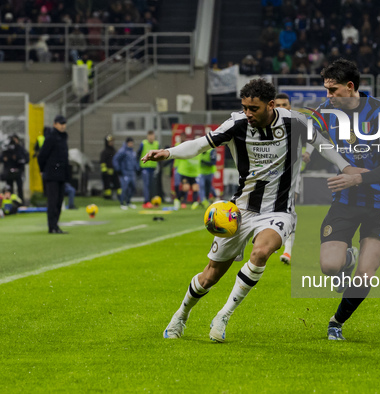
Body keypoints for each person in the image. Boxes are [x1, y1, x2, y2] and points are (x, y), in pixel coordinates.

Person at [141, 78, 362, 342]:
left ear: (270, 105)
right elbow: (201, 143)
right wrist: (168, 152)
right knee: (210, 276)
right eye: (244, 107)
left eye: (253, 108)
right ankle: (180, 315)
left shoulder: (295, 122)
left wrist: (346, 167)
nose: (248, 113)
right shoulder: (236, 124)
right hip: (240, 211)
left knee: (261, 252)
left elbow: (323, 145)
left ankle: (223, 315)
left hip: (278, 211)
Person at [312, 58, 380, 341]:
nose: (328, 96)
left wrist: (357, 177)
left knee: (365, 275)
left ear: (350, 87)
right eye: (326, 89)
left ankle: (336, 322)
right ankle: (346, 258)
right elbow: (308, 131)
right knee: (330, 266)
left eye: (333, 90)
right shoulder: (325, 111)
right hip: (346, 201)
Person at [274, 92, 313, 265]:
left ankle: (288, 251)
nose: (282, 108)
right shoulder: (266, 124)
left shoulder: (297, 122)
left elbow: (314, 136)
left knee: (290, 208)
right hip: (269, 175)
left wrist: (307, 152)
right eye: (278, 105)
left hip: (291, 173)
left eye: (284, 105)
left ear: (290, 106)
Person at [37, 115, 70, 234]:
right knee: (53, 201)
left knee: (59, 201)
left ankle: (56, 225)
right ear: (55, 124)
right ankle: (52, 227)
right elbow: (42, 156)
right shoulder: (51, 137)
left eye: (64, 123)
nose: (63, 126)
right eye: (61, 123)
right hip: (52, 174)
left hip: (61, 174)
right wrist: (42, 170)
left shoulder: (63, 137)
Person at [113, 137, 139, 210]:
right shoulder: (122, 151)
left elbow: (134, 161)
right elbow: (115, 159)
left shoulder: (132, 152)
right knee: (124, 188)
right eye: (130, 143)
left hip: (132, 173)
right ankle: (122, 203)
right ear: (127, 143)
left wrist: (137, 168)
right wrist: (118, 169)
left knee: (133, 188)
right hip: (125, 173)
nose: (131, 144)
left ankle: (128, 202)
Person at [1, 134, 29, 202]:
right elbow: (2, 157)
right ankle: (10, 202)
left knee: (20, 188)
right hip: (9, 171)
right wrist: (4, 158)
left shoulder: (20, 148)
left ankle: (20, 202)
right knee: (9, 188)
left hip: (18, 171)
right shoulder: (6, 149)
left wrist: (18, 158)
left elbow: (25, 159)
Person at [137, 130, 160, 208]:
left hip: (153, 168)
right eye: (150, 135)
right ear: (147, 136)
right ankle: (146, 201)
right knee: (146, 185)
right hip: (145, 168)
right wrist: (138, 167)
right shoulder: (143, 143)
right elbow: (138, 154)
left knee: (152, 186)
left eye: (152, 135)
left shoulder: (156, 144)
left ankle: (152, 201)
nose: (151, 137)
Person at [100, 134, 121, 200]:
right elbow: (102, 162)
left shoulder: (114, 151)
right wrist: (105, 171)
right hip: (107, 173)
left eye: (112, 141)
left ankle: (120, 196)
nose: (111, 143)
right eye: (110, 141)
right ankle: (107, 197)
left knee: (118, 185)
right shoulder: (104, 152)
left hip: (115, 172)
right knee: (107, 186)